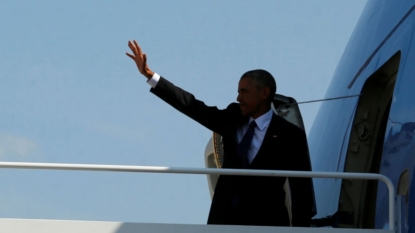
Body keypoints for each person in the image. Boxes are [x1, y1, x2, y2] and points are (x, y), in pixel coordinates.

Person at [126, 40, 315, 227]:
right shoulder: (232, 117)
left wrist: (301, 230)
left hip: (267, 222)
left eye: (244, 92)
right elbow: (193, 107)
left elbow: (301, 191)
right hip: (225, 221)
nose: (238, 97)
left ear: (264, 93)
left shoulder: (290, 134)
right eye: (238, 92)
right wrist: (150, 75)